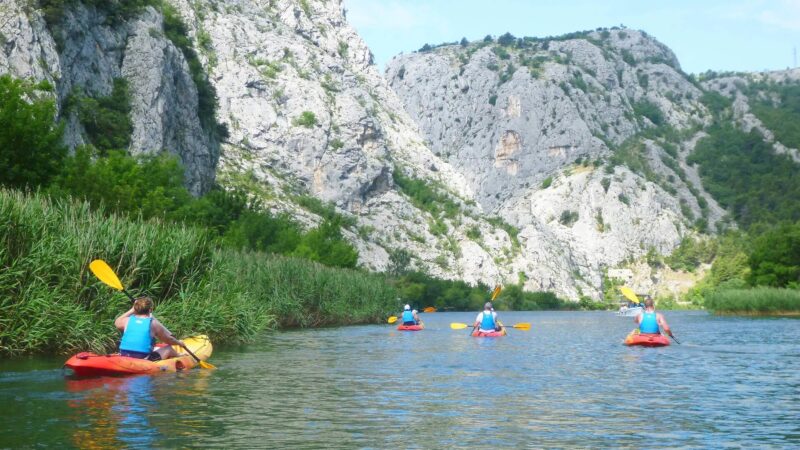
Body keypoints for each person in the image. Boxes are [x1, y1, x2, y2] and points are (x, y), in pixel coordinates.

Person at [115, 296, 185, 361]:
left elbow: (117, 322)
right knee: (169, 348)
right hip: (143, 358)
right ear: (150, 310)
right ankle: (179, 356)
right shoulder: (153, 323)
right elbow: (169, 340)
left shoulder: (127, 320)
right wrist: (179, 343)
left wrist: (132, 310)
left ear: (135, 308)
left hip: (124, 354)